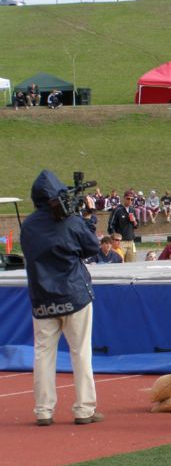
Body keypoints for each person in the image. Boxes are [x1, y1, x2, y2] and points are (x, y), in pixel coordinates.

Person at [20, 169, 104, 426]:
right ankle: (84, 409)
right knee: (80, 353)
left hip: (42, 299)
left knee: (43, 355)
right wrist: (87, 219)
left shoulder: (29, 225)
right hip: (74, 294)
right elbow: (92, 248)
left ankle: (43, 411)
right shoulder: (71, 221)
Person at [107, 191, 138, 262]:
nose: (130, 201)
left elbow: (137, 226)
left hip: (131, 242)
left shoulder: (132, 210)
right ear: (124, 198)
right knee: (119, 262)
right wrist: (115, 239)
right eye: (128, 198)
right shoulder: (117, 210)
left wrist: (134, 221)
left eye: (132, 199)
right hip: (121, 242)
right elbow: (111, 225)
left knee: (132, 263)